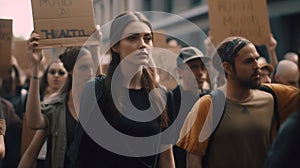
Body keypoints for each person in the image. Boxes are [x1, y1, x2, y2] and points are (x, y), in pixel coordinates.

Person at [177, 36, 299, 168]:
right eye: (248, 61)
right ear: (227, 68)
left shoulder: (274, 96)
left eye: (257, 59)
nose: (257, 66)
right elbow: (194, 161)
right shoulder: (207, 106)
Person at [75, 11, 175, 168]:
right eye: (132, 38)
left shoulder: (162, 96)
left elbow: (167, 158)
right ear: (115, 46)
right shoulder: (96, 90)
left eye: (147, 39)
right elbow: (82, 153)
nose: (142, 44)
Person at [24, 31, 96, 168]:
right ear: (70, 70)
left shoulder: (100, 106)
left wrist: (96, 46)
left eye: (92, 67)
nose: (90, 72)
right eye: (84, 67)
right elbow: (33, 123)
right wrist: (35, 67)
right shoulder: (56, 108)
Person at [20, 59, 68, 168]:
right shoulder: (35, 100)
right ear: (46, 75)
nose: (56, 75)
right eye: (52, 72)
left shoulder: (69, 104)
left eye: (61, 72)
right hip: (38, 157)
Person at [172, 46, 210, 168]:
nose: (200, 72)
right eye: (193, 67)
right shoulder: (171, 100)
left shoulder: (210, 99)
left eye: (203, 67)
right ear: (179, 71)